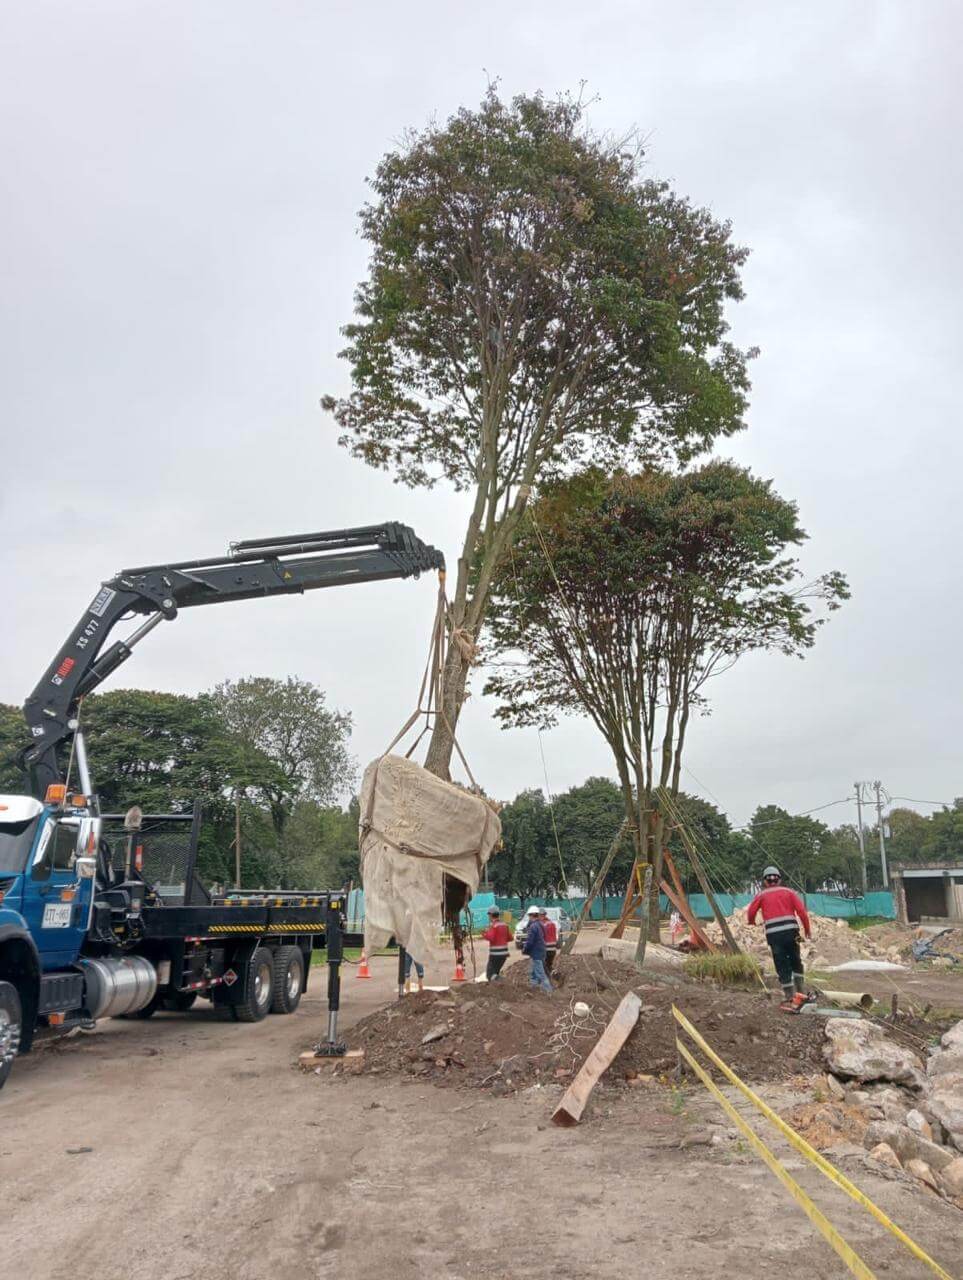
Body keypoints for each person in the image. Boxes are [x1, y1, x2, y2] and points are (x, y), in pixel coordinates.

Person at [747, 866, 814, 1011]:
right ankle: (801, 991)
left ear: (765, 881)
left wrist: (751, 921)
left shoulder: (761, 895)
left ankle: (790, 997)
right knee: (796, 959)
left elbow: (751, 911)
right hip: (794, 933)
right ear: (779, 879)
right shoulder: (789, 892)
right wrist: (807, 930)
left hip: (774, 936)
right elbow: (802, 912)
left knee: (781, 964)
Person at [521, 904, 552, 993]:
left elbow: (529, 941)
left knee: (540, 974)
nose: (529, 917)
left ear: (531, 915)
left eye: (529, 915)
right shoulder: (541, 925)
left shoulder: (533, 926)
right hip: (541, 952)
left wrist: (525, 949)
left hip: (536, 954)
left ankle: (548, 991)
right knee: (534, 973)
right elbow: (544, 937)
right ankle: (533, 989)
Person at [481, 907, 511, 981]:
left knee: (489, 974)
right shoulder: (504, 925)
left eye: (489, 915)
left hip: (495, 954)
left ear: (491, 915)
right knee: (495, 973)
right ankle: (498, 988)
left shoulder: (494, 925)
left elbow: (491, 938)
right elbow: (510, 938)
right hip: (504, 954)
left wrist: (484, 933)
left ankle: (503, 981)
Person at [539, 906, 559, 974]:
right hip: (553, 949)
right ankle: (555, 976)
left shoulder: (541, 925)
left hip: (545, 949)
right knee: (548, 965)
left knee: (542, 966)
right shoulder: (552, 923)